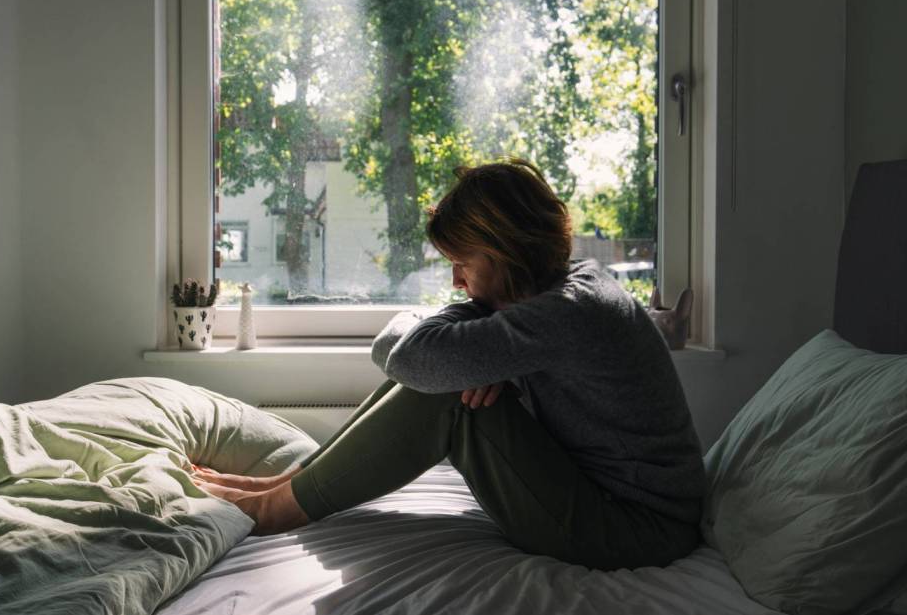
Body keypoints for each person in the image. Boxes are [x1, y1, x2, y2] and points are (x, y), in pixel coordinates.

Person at [193, 158, 705, 570]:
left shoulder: (570, 312)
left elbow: (404, 357)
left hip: (636, 529)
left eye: (464, 264)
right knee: (451, 374)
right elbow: (414, 354)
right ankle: (284, 486)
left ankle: (275, 509)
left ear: (507, 252)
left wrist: (446, 343)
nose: (457, 281)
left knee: (451, 397)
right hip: (610, 502)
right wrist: (473, 355)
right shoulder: (550, 296)